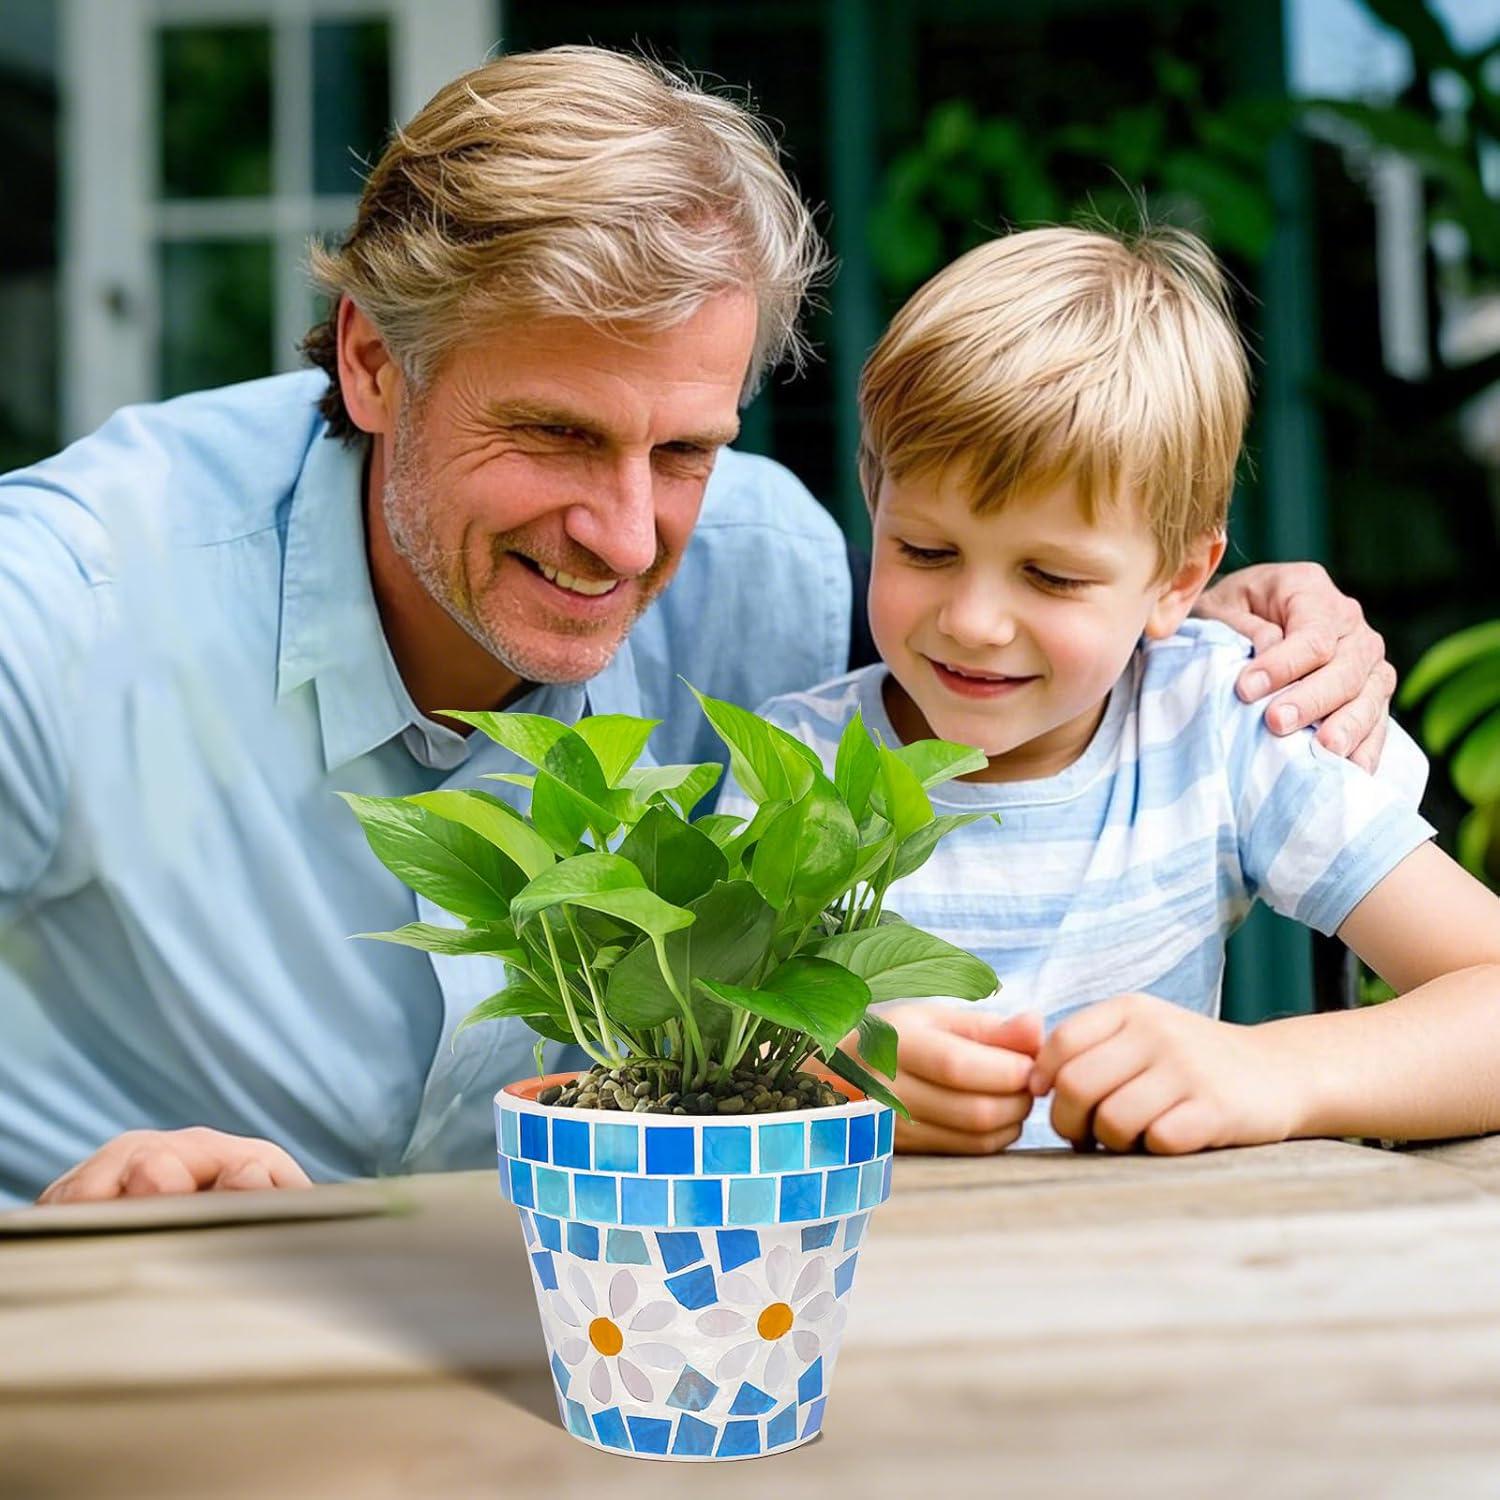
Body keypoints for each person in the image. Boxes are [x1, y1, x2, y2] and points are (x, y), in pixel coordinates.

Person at [6, 51, 1393, 1208]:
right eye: (555, 434)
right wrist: (64, 1228)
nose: (625, 538)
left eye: (683, 450)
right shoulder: (61, 603)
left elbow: (1001, 671)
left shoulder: (765, 568)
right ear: (374, 360)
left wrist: (1199, 630)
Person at [730, 224, 1500, 1156]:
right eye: (925, 551)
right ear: (873, 502)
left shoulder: (1214, 722)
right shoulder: (794, 766)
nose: (974, 620)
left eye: (1051, 577)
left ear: (1179, 580)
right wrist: (823, 1071)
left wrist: (1275, 1070)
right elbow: (679, 1047)